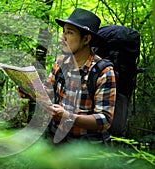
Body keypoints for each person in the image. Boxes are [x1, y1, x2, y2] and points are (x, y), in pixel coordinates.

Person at [19, 8, 116, 144]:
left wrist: (69, 117)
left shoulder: (103, 72)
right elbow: (46, 95)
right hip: (56, 140)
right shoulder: (61, 63)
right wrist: (29, 91)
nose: (63, 38)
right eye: (63, 32)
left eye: (69, 33)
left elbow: (104, 120)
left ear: (86, 39)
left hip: (86, 148)